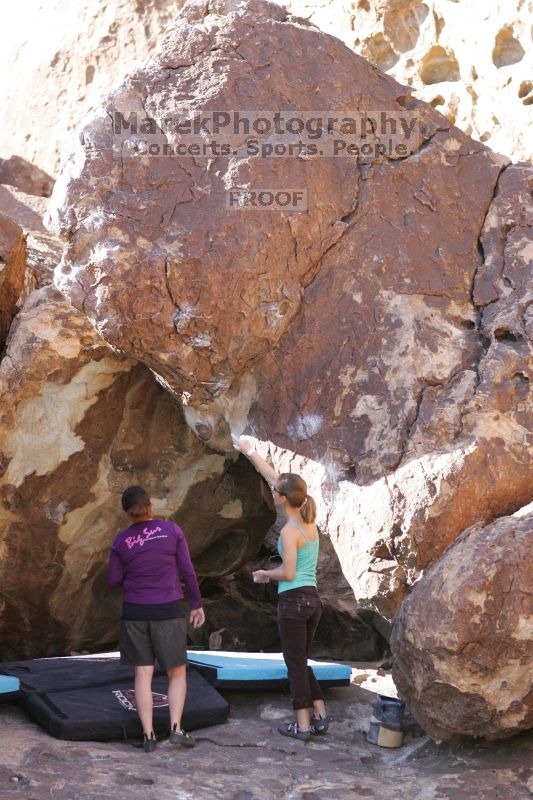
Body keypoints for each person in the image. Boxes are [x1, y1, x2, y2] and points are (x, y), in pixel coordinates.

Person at [234, 436, 330, 742]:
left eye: (276, 493)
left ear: (281, 499)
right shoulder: (308, 518)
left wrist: (264, 574)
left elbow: (288, 572)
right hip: (313, 600)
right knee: (300, 660)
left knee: (295, 666)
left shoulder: (289, 531)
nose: (274, 492)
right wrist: (250, 452)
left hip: (293, 602)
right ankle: (321, 715)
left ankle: (302, 726)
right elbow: (277, 479)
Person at [107, 485, 205, 753]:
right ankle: (175, 729)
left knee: (142, 673)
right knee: (176, 672)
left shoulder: (120, 541)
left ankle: (148, 735)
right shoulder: (172, 530)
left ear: (126, 513)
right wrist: (196, 604)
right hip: (168, 611)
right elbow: (187, 570)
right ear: (150, 505)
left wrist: (134, 572)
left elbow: (113, 580)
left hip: (135, 613)